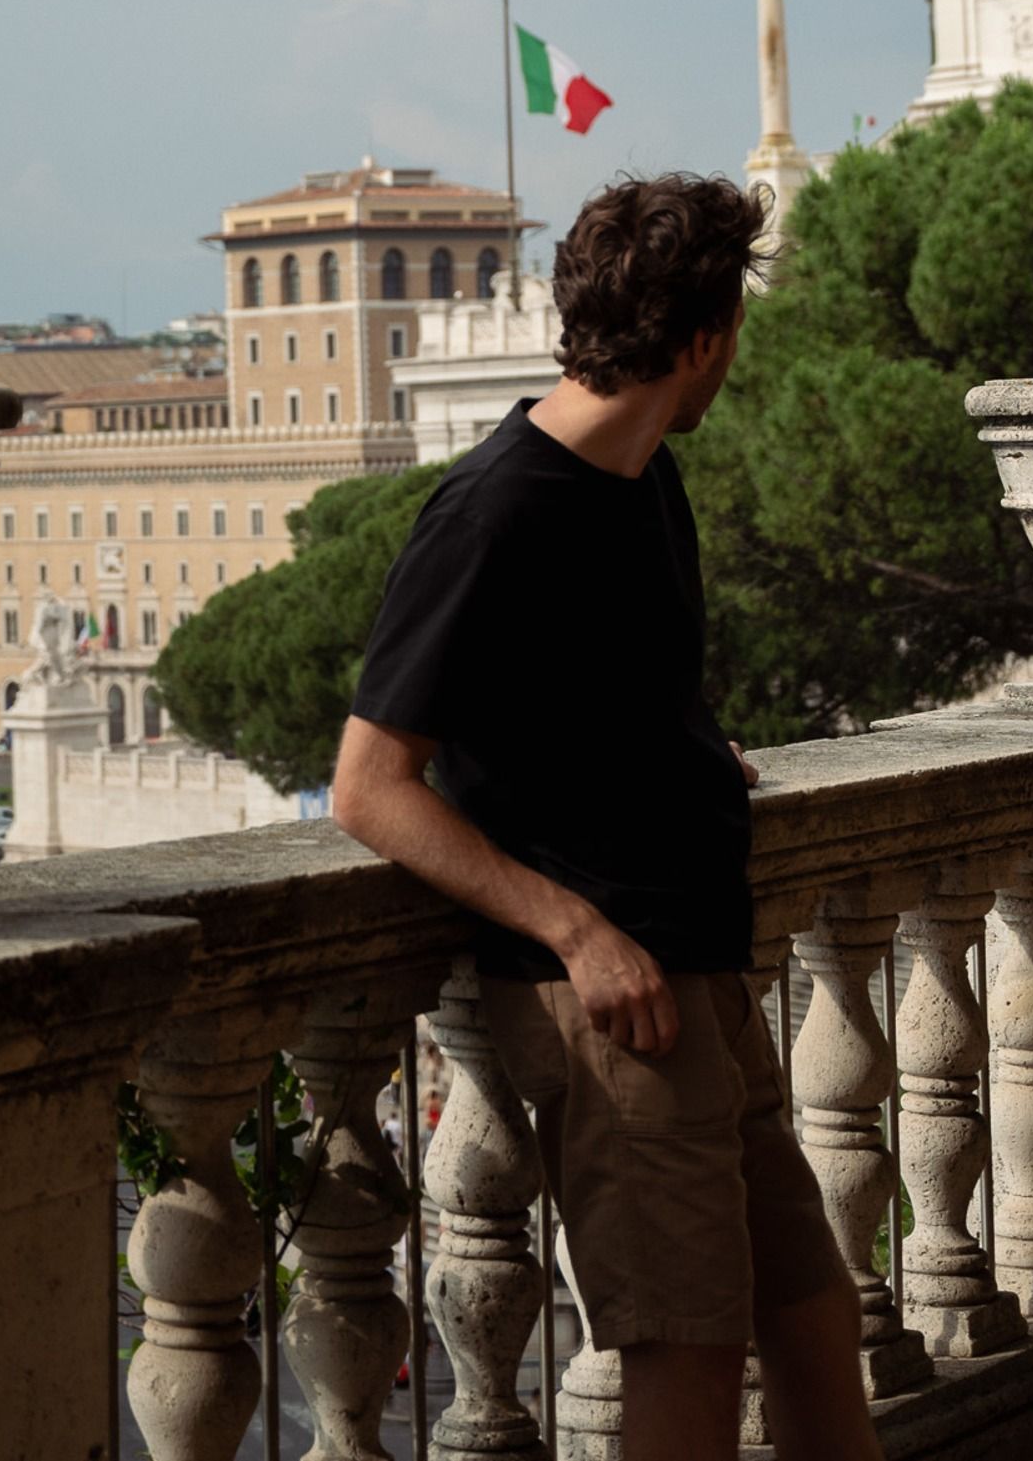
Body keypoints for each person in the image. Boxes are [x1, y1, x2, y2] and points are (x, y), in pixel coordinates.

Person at [333, 173, 881, 1461]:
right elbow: (369, 785)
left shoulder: (645, 479)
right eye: (733, 333)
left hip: (702, 980)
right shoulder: (492, 512)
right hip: (619, 1009)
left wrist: (680, 755)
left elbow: (593, 698)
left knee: (812, 1320)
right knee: (684, 1369)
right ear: (702, 343)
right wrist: (575, 930)